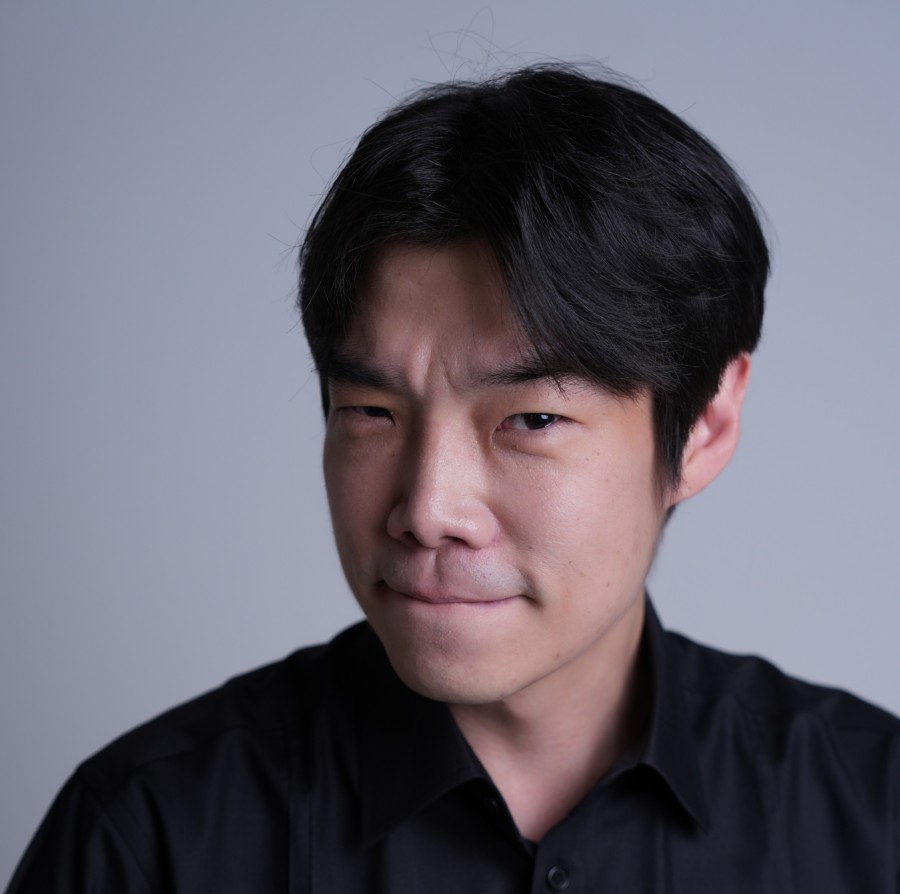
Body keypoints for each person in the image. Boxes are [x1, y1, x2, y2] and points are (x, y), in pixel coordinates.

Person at [8, 63, 899, 893]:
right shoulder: (147, 838)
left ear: (705, 424)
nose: (428, 510)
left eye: (532, 420)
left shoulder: (873, 814)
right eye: (372, 412)